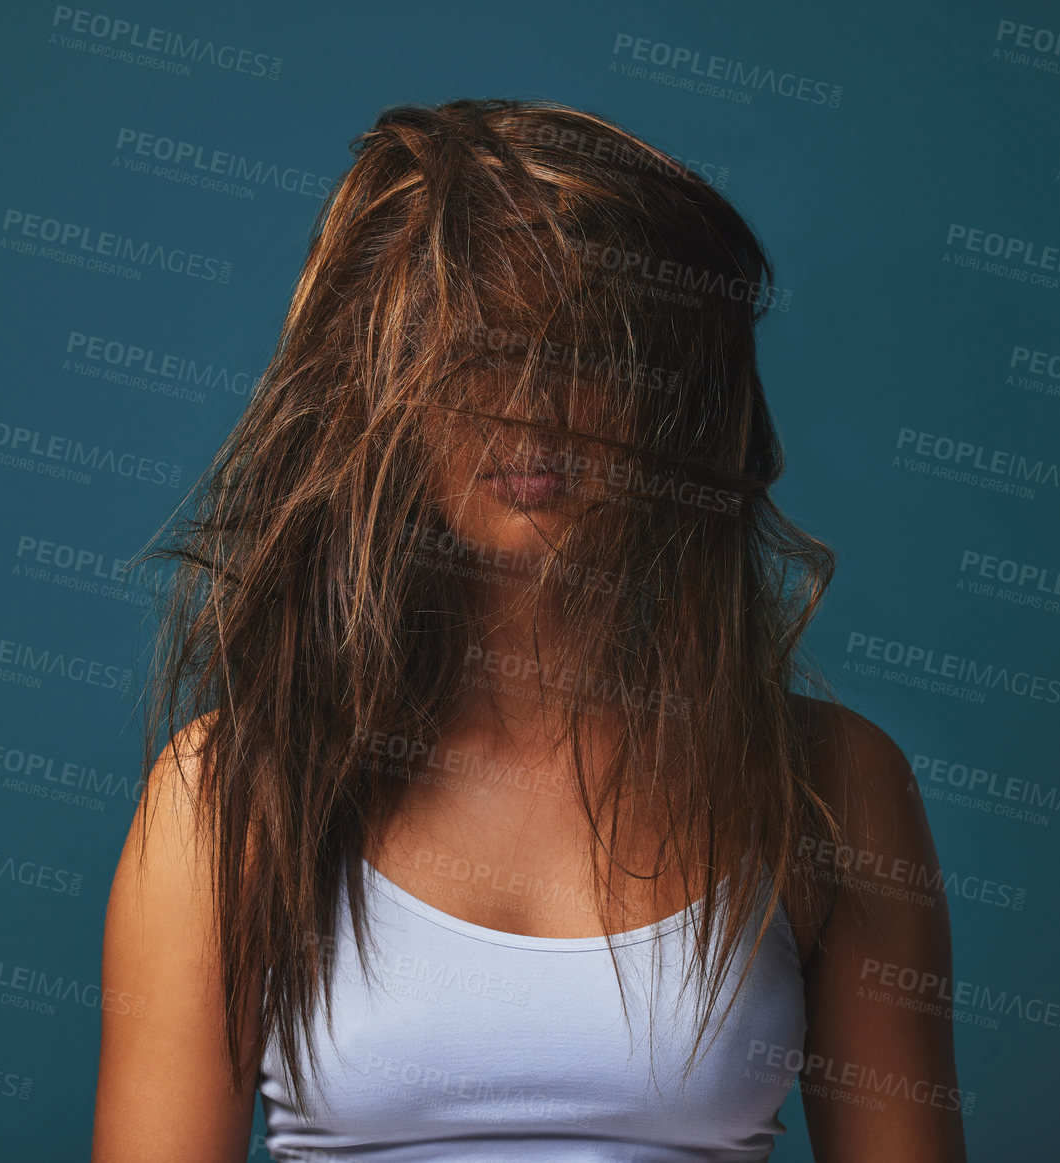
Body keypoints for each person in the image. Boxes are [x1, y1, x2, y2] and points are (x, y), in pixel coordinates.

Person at [91, 97, 966, 1162]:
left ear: (673, 392)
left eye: (590, 352)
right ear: (382, 387)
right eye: (474, 352)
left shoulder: (833, 786)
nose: (532, 410)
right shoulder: (230, 794)